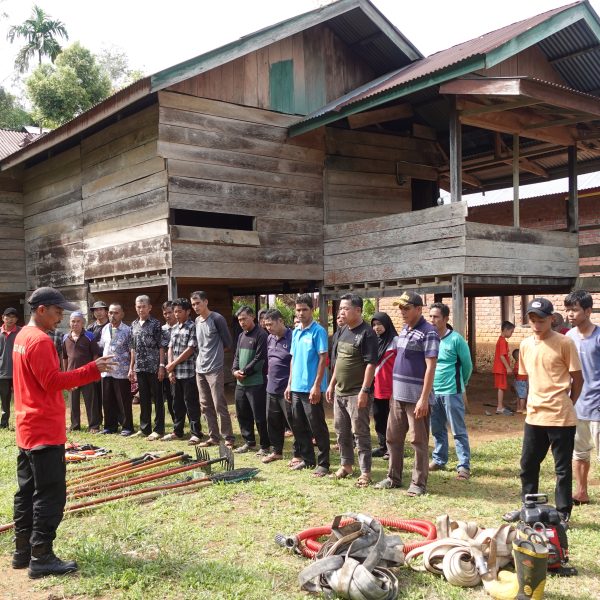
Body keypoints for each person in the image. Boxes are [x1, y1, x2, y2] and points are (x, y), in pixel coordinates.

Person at [11, 287, 114, 578]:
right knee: (50, 495)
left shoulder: (21, 337)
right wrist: (92, 369)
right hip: (44, 430)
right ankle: (41, 556)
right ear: (41, 310)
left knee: (26, 492)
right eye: (57, 312)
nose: (61, 318)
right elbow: (53, 382)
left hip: (27, 428)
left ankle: (22, 551)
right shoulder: (40, 341)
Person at [518, 297, 582, 522]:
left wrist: (568, 402)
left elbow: (578, 379)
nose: (537, 324)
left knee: (562, 469)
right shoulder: (525, 345)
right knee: (528, 464)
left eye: (541, 320)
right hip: (534, 416)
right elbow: (526, 377)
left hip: (560, 417)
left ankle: (563, 513)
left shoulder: (565, 343)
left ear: (552, 319)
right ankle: (529, 508)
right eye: (533, 320)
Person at [375, 291, 439, 497]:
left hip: (416, 398)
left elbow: (431, 367)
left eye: (406, 308)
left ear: (419, 309)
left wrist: (423, 398)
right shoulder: (404, 330)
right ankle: (393, 478)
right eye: (400, 308)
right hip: (398, 396)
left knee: (418, 441)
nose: (402, 312)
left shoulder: (429, 332)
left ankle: (418, 483)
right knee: (392, 438)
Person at [327, 294, 378, 488]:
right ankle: (346, 466)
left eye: (346, 308)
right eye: (341, 308)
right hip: (340, 391)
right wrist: (331, 384)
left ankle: (365, 472)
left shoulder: (367, 333)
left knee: (360, 433)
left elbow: (371, 364)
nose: (342, 312)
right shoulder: (342, 331)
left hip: (357, 393)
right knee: (341, 432)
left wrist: (365, 390)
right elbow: (339, 361)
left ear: (358, 310)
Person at [285, 294, 330, 476]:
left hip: (311, 388)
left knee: (317, 426)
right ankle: (308, 459)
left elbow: (323, 359)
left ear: (312, 310)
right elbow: (293, 359)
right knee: (298, 425)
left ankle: (324, 463)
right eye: (298, 310)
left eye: (305, 309)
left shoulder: (318, 331)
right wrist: (289, 384)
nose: (301, 313)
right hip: (296, 387)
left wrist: (317, 386)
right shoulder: (295, 332)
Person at [428, 302, 473, 480]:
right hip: (433, 392)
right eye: (431, 316)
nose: (432, 320)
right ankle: (439, 459)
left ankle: (463, 465)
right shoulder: (430, 339)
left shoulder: (456, 339)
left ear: (446, 319)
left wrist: (461, 383)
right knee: (436, 428)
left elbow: (467, 366)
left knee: (457, 430)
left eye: (436, 317)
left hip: (451, 391)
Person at [565, 290, 600, 506]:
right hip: (577, 405)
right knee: (579, 452)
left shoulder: (598, 337)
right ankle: (581, 493)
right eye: (568, 309)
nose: (570, 314)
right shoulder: (568, 337)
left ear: (588, 311)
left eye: (575, 310)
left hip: (598, 406)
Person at [191, 291, 235, 448]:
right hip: (200, 369)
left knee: (219, 404)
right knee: (205, 404)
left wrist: (216, 355)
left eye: (198, 303)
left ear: (206, 302)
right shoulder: (197, 321)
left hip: (215, 368)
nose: (196, 307)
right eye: (193, 304)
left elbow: (228, 343)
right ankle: (213, 437)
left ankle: (228, 437)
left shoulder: (217, 318)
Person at [163, 298, 203, 444]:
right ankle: (177, 431)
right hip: (175, 373)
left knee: (191, 403)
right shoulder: (174, 328)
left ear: (187, 312)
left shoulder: (192, 327)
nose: (176, 314)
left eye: (179, 311)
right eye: (175, 312)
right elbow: (170, 348)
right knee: (177, 404)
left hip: (189, 372)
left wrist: (173, 364)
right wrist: (171, 369)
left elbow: (191, 349)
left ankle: (196, 432)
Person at [232, 306, 269, 455]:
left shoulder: (261, 335)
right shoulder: (241, 335)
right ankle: (249, 442)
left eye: (244, 319)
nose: (242, 322)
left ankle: (265, 445)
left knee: (259, 416)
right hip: (240, 383)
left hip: (256, 382)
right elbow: (236, 356)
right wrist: (234, 370)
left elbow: (260, 358)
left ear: (252, 317)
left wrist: (244, 372)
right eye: (239, 320)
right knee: (242, 414)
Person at [129, 295, 166, 440]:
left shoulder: (156, 324)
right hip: (140, 367)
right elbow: (133, 348)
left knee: (157, 399)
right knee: (143, 399)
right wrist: (131, 367)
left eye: (144, 306)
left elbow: (161, 346)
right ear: (135, 307)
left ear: (149, 307)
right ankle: (145, 428)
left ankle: (159, 429)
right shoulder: (133, 324)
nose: (141, 309)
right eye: (138, 306)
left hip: (154, 367)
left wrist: (161, 366)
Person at [262, 308, 294, 464]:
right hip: (271, 387)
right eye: (266, 325)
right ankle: (276, 451)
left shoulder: (292, 337)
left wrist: (290, 384)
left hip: (287, 388)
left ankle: (298, 454)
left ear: (280, 321)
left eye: (271, 324)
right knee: (273, 421)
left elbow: (295, 362)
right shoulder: (270, 338)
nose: (268, 328)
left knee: (293, 422)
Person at [62, 311, 101, 432]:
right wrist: (65, 374)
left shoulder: (90, 336)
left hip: (87, 374)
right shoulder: (65, 338)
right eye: (73, 321)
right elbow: (65, 357)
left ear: (83, 323)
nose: (75, 324)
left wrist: (95, 372)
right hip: (72, 375)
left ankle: (93, 426)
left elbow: (95, 355)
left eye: (78, 321)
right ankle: (75, 425)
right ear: (69, 323)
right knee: (73, 401)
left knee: (90, 401)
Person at [98, 304, 134, 435]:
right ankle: (110, 426)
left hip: (121, 370)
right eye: (111, 313)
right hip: (106, 370)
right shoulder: (105, 329)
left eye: (116, 313)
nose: (113, 315)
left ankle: (127, 427)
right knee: (107, 400)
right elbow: (103, 346)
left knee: (123, 400)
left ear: (122, 314)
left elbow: (132, 350)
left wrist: (131, 368)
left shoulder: (127, 330)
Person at [370, 311, 398, 459]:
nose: (377, 327)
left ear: (387, 324)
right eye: (374, 325)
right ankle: (382, 446)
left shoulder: (396, 341)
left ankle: (392, 448)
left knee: (392, 419)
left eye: (380, 324)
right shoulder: (373, 341)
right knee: (379, 417)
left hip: (392, 387)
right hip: (376, 387)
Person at [86, 300, 109, 424]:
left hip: (109, 363)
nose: (98, 312)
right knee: (96, 394)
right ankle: (98, 420)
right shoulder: (90, 328)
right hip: (95, 363)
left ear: (106, 311)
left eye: (101, 309)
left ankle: (112, 420)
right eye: (96, 310)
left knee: (109, 393)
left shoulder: (111, 326)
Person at [1, 307, 21, 429]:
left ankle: (22, 423)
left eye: (13, 317)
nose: (10, 319)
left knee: (21, 400)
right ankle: (4, 424)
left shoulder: (21, 333)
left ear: (17, 319)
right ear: (3, 318)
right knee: (5, 400)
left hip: (19, 373)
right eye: (7, 317)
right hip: (2, 373)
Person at [493, 320, 515, 416]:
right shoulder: (502, 341)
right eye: (511, 332)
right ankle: (499, 407)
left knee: (501, 387)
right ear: (505, 330)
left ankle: (500, 405)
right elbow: (502, 356)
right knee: (501, 388)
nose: (511, 334)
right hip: (501, 368)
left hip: (500, 368)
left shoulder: (501, 340)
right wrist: (508, 367)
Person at [161, 300, 176, 422]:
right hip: (167, 369)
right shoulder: (162, 330)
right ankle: (175, 421)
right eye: (165, 313)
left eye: (170, 312)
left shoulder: (182, 327)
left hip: (182, 367)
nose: (167, 315)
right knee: (170, 396)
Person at [512, 348, 528, 414]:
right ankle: (522, 409)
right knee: (523, 396)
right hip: (522, 381)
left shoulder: (516, 364)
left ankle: (518, 408)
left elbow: (515, 372)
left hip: (517, 381)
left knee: (518, 395)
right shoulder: (521, 364)